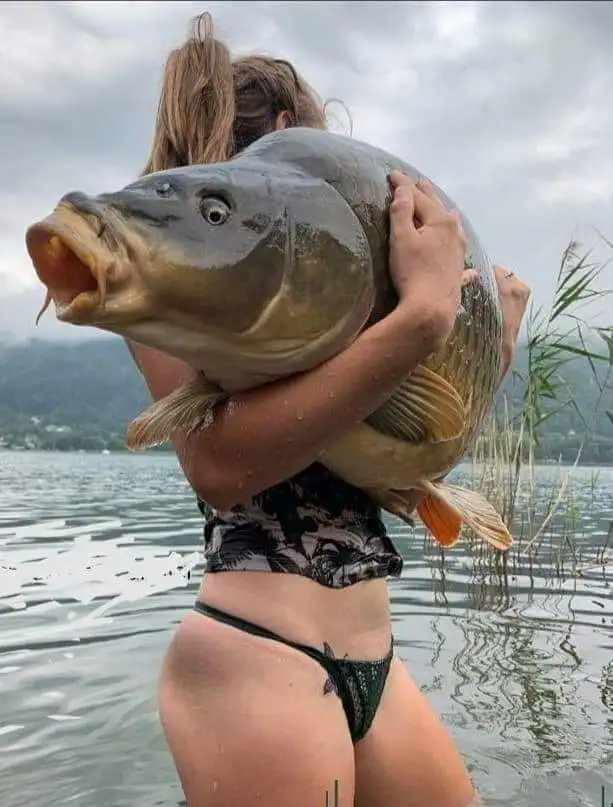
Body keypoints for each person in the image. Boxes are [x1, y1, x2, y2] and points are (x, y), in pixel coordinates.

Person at [126, 13, 531, 807]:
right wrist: (421, 319)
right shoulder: (176, 292)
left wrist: (487, 342)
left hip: (372, 654)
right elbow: (216, 465)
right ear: (287, 133)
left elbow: (400, 476)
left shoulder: (339, 314)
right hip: (258, 653)